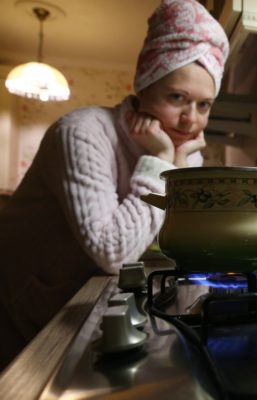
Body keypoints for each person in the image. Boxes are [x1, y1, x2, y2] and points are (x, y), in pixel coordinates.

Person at [0, 0, 229, 371]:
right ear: (142, 85)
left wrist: (174, 161)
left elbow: (183, 235)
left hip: (75, 304)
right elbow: (113, 252)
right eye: (177, 98)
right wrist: (161, 162)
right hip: (16, 298)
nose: (190, 121)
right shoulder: (83, 132)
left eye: (204, 105)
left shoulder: (182, 151)